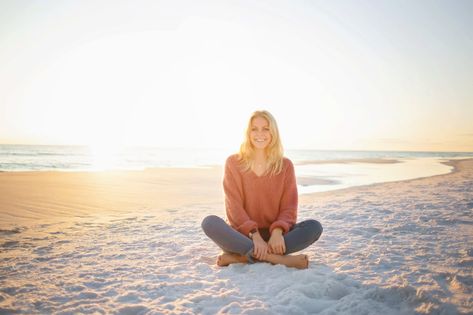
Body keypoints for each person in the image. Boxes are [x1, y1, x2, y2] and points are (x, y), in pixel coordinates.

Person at [201, 110, 323, 269]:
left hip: (277, 240)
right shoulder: (233, 162)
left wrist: (278, 232)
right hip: (243, 238)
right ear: (248, 133)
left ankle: (241, 259)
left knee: (314, 227)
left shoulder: (285, 166)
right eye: (254, 129)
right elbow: (234, 207)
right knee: (209, 222)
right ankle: (280, 260)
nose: (260, 133)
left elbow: (289, 207)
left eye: (266, 128)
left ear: (273, 132)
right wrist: (255, 236)